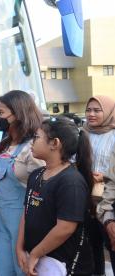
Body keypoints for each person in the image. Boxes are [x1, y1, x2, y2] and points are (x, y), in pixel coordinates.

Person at [16, 117, 94, 276]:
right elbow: (27, 211)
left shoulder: (71, 181)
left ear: (55, 143)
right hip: (38, 257)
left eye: (37, 137)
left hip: (62, 263)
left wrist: (36, 253)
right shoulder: (37, 174)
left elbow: (65, 228)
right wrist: (19, 247)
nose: (32, 142)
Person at [0, 90, 44, 276]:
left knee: (23, 268)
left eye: (1, 113)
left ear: (18, 113)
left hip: (23, 220)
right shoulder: (5, 144)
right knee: (4, 269)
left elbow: (42, 189)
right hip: (1, 219)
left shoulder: (33, 148)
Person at [84, 95, 115, 275]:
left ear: (109, 111)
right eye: (88, 110)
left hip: (109, 201)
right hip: (87, 200)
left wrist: (104, 176)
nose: (91, 114)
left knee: (111, 245)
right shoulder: (84, 133)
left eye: (97, 110)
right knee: (91, 248)